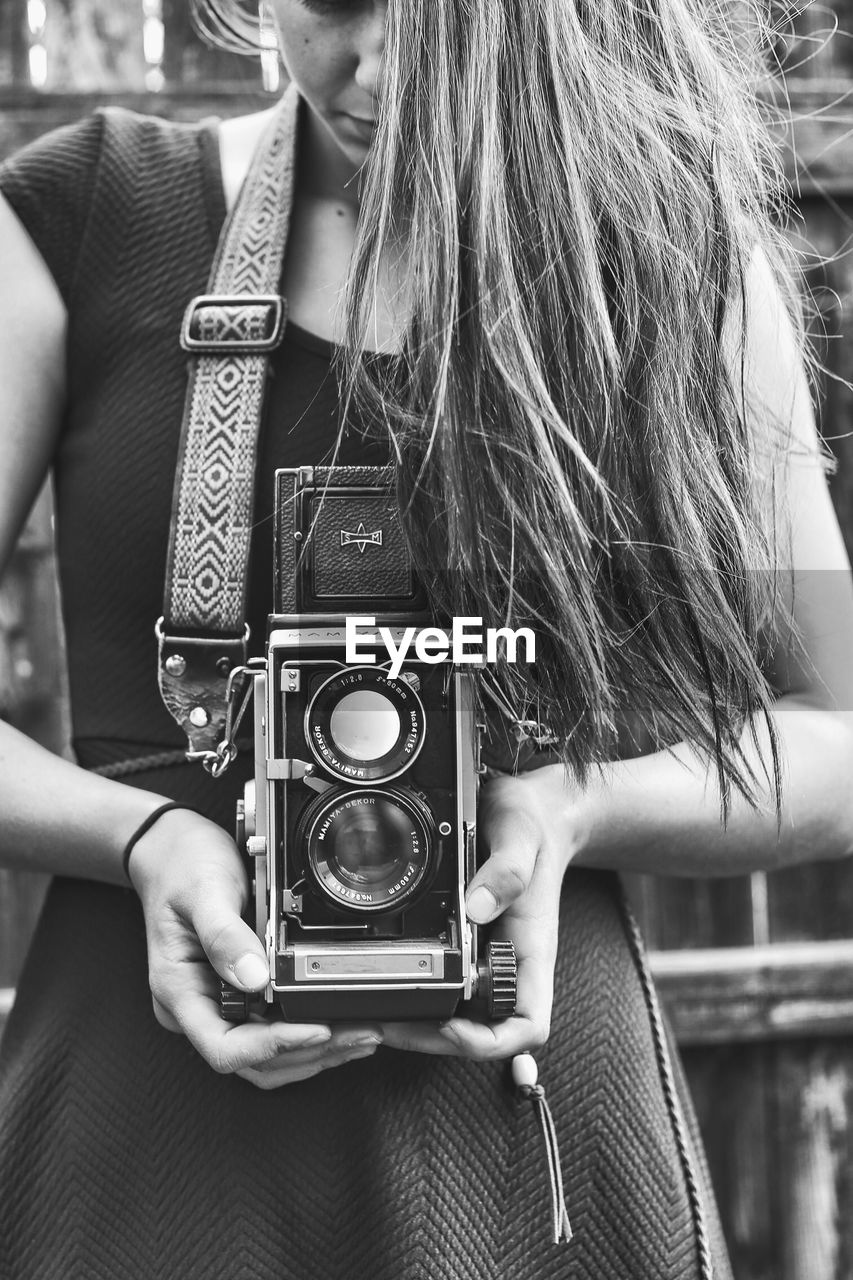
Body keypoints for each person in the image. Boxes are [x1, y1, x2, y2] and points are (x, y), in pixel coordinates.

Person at [0, 1, 851, 1277]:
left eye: (448, 17)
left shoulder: (684, 265)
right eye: (335, 1)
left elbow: (839, 729)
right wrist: (145, 836)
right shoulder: (79, 217)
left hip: (534, 1156)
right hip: (138, 1130)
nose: (384, 65)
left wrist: (573, 809)